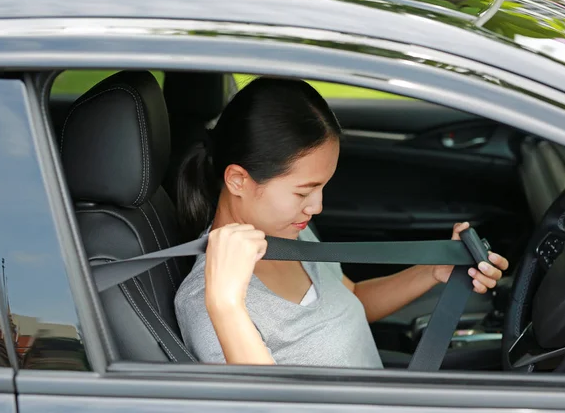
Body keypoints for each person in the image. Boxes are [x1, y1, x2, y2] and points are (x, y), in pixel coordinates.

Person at [174, 77, 508, 368]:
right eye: (304, 191)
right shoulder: (209, 302)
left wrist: (433, 271)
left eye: (322, 187)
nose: (317, 206)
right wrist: (226, 305)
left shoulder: (286, 233)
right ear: (237, 180)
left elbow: (352, 299)